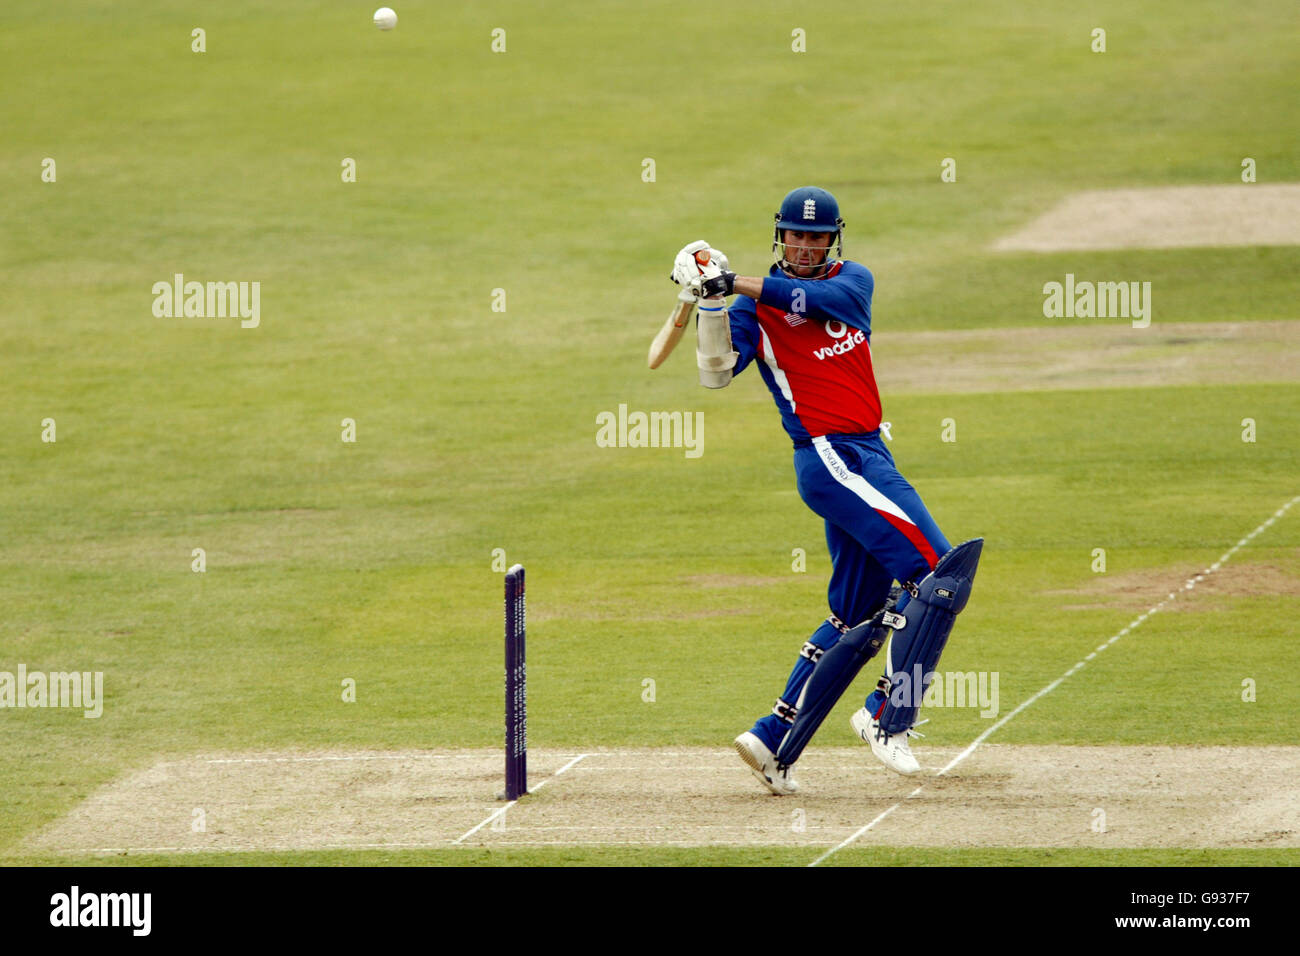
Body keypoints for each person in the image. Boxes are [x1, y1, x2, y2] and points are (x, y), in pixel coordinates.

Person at [669, 186, 983, 794]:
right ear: (780, 236)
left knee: (856, 615)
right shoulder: (750, 311)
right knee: (939, 575)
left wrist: (733, 281)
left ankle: (772, 740)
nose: (806, 246)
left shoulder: (852, 283)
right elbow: (714, 375)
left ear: (833, 240)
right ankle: (888, 717)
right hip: (832, 457)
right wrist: (707, 304)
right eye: (795, 235)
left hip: (867, 450)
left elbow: (812, 298)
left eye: (817, 237)